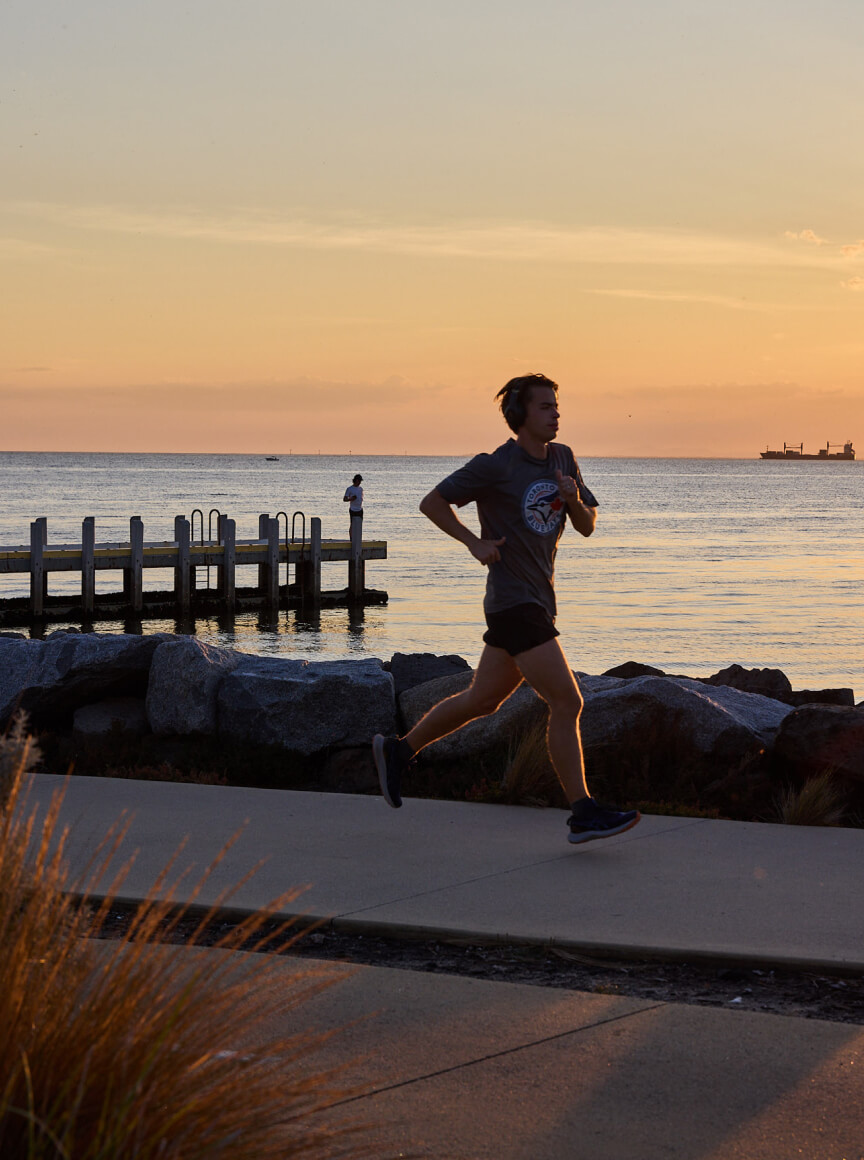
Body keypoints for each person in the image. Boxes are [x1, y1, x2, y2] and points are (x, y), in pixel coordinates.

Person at [373, 373, 640, 846]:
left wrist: (575, 500)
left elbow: (587, 527)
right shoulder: (495, 465)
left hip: (537, 600)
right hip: (513, 603)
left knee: (483, 700)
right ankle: (583, 812)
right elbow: (432, 502)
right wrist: (473, 542)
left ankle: (399, 751)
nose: (555, 413)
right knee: (568, 701)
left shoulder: (563, 458)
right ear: (520, 415)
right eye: (544, 407)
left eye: (557, 406)